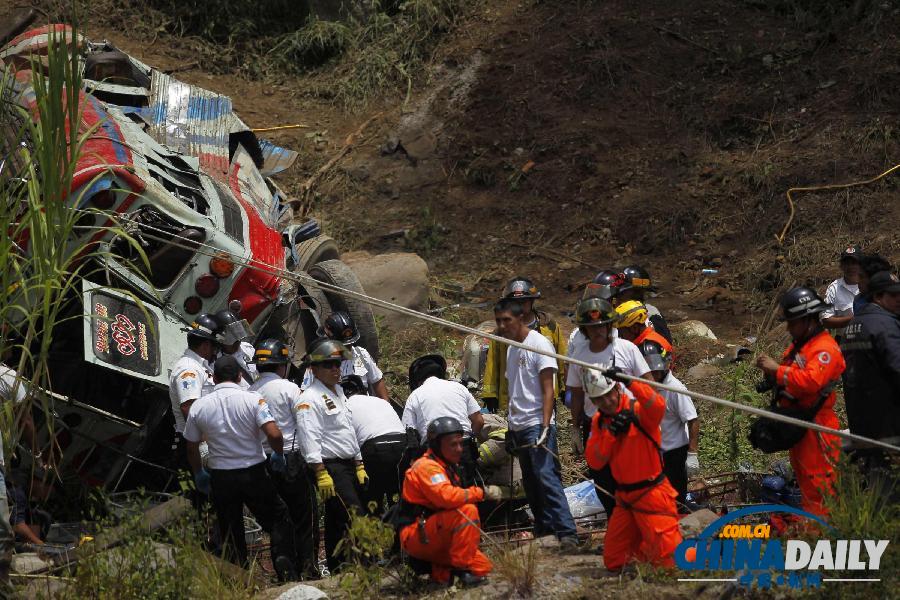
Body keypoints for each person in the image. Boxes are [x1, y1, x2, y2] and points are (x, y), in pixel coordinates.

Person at [183, 356, 298, 580]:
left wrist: (199, 473)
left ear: (214, 378)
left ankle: (240, 580)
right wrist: (278, 454)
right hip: (253, 472)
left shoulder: (199, 406)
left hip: (221, 477)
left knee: (230, 529)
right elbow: (274, 434)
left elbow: (191, 447)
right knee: (278, 518)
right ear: (238, 377)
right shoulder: (253, 400)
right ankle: (285, 567)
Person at [754, 287, 845, 517]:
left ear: (808, 320)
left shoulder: (825, 348)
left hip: (818, 428)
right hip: (798, 424)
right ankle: (809, 531)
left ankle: (822, 538)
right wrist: (772, 374)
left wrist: (778, 370)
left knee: (819, 488)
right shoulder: (800, 346)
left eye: (792, 323)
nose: (788, 328)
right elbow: (791, 375)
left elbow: (811, 381)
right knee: (804, 483)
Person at [495, 300, 578, 549]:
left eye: (506, 320)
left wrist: (544, 425)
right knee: (531, 482)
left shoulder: (539, 343)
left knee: (547, 477)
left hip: (536, 423)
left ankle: (567, 532)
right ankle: (544, 530)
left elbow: (548, 389)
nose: (502, 325)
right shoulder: (511, 348)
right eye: (498, 321)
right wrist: (510, 427)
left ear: (521, 318)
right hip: (519, 425)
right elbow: (514, 390)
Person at [582, 368, 682, 570]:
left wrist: (632, 382)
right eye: (600, 399)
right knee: (614, 560)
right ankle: (647, 562)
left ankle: (707, 553)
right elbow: (595, 461)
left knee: (670, 561)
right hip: (625, 499)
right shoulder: (599, 422)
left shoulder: (639, 411)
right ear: (594, 402)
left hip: (652, 494)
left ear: (617, 388)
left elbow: (657, 406)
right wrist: (610, 435)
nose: (607, 402)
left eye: (608, 395)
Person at [565, 297, 651, 520]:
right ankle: (617, 524)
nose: (598, 331)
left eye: (602, 325)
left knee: (634, 483)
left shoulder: (627, 349)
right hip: (596, 427)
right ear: (584, 330)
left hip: (629, 425)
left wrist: (646, 416)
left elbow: (648, 383)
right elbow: (575, 393)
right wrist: (574, 428)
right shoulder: (579, 356)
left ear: (610, 325)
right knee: (603, 482)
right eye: (592, 327)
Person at [399, 417, 502, 587]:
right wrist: (481, 492)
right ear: (437, 445)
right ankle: (461, 571)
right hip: (417, 533)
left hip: (437, 530)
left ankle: (443, 573)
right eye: (453, 445)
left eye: (461, 444)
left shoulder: (447, 467)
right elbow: (446, 497)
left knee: (483, 567)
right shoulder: (426, 467)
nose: (459, 449)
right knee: (468, 511)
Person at [295, 338, 368, 573]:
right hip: (330, 467)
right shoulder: (309, 398)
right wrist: (320, 472)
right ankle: (365, 567)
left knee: (337, 520)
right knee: (354, 514)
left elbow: (347, 430)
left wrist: (358, 463)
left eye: (337, 364)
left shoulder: (338, 392)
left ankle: (339, 570)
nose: (335, 369)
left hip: (347, 464)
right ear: (314, 369)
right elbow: (309, 437)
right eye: (328, 365)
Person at [247, 339, 318, 579]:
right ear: (282, 366)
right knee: (302, 516)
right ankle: (308, 568)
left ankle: (284, 570)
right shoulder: (289, 389)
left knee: (278, 519)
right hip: (291, 459)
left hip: (262, 463)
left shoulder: (249, 392)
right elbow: (307, 421)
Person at [840, 271, 900, 480]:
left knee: (877, 487)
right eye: (893, 295)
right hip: (890, 427)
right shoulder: (885, 324)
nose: (898, 300)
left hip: (861, 426)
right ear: (877, 297)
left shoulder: (851, 327)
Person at [482, 278, 566, 413]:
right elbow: (493, 362)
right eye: (514, 302)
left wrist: (564, 387)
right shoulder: (501, 332)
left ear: (532, 301)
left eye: (523, 301)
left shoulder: (548, 326)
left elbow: (561, 357)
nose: (519, 306)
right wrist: (490, 394)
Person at [637, 340, 698, 507]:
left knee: (674, 500)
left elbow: (692, 419)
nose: (654, 375)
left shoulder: (675, 389)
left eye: (657, 371)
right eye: (650, 371)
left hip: (673, 454)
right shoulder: (643, 387)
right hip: (652, 453)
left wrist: (692, 454)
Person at [342, 374, 407, 516]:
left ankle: (377, 534)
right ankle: (401, 534)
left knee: (372, 502)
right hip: (401, 444)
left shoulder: (344, 406)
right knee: (399, 500)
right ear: (363, 389)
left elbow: (347, 442)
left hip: (374, 448)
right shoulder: (382, 402)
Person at [308, 311, 388, 401]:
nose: (347, 349)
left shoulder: (361, 354)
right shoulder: (317, 363)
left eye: (349, 344)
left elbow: (377, 381)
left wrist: (387, 408)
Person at [168, 314, 219, 450]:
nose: (215, 351)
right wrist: (204, 444)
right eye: (214, 347)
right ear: (206, 345)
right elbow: (189, 408)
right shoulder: (189, 368)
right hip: (194, 442)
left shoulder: (200, 366)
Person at [613, 266, 673, 345]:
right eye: (637, 292)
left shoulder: (651, 313)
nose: (640, 296)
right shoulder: (609, 311)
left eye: (640, 292)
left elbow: (665, 344)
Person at [820, 245, 862, 330]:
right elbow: (825, 319)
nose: (850, 267)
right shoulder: (834, 288)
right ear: (841, 266)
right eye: (847, 263)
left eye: (854, 263)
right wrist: (854, 320)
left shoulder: (870, 284)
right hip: (843, 340)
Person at [215, 309, 257, 386]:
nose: (237, 340)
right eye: (231, 336)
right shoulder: (216, 362)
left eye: (238, 333)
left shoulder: (248, 349)